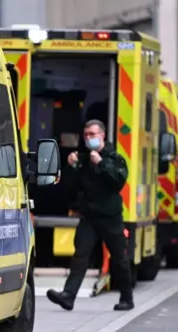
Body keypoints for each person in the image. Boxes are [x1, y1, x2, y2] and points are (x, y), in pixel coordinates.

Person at [46, 119, 134, 311]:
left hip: (111, 218)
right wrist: (72, 166)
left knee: (119, 258)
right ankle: (68, 295)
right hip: (90, 217)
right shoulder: (84, 159)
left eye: (92, 135)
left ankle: (127, 298)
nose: (89, 138)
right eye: (86, 135)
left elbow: (117, 181)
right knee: (80, 255)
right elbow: (71, 187)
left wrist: (101, 163)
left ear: (102, 135)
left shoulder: (114, 158)